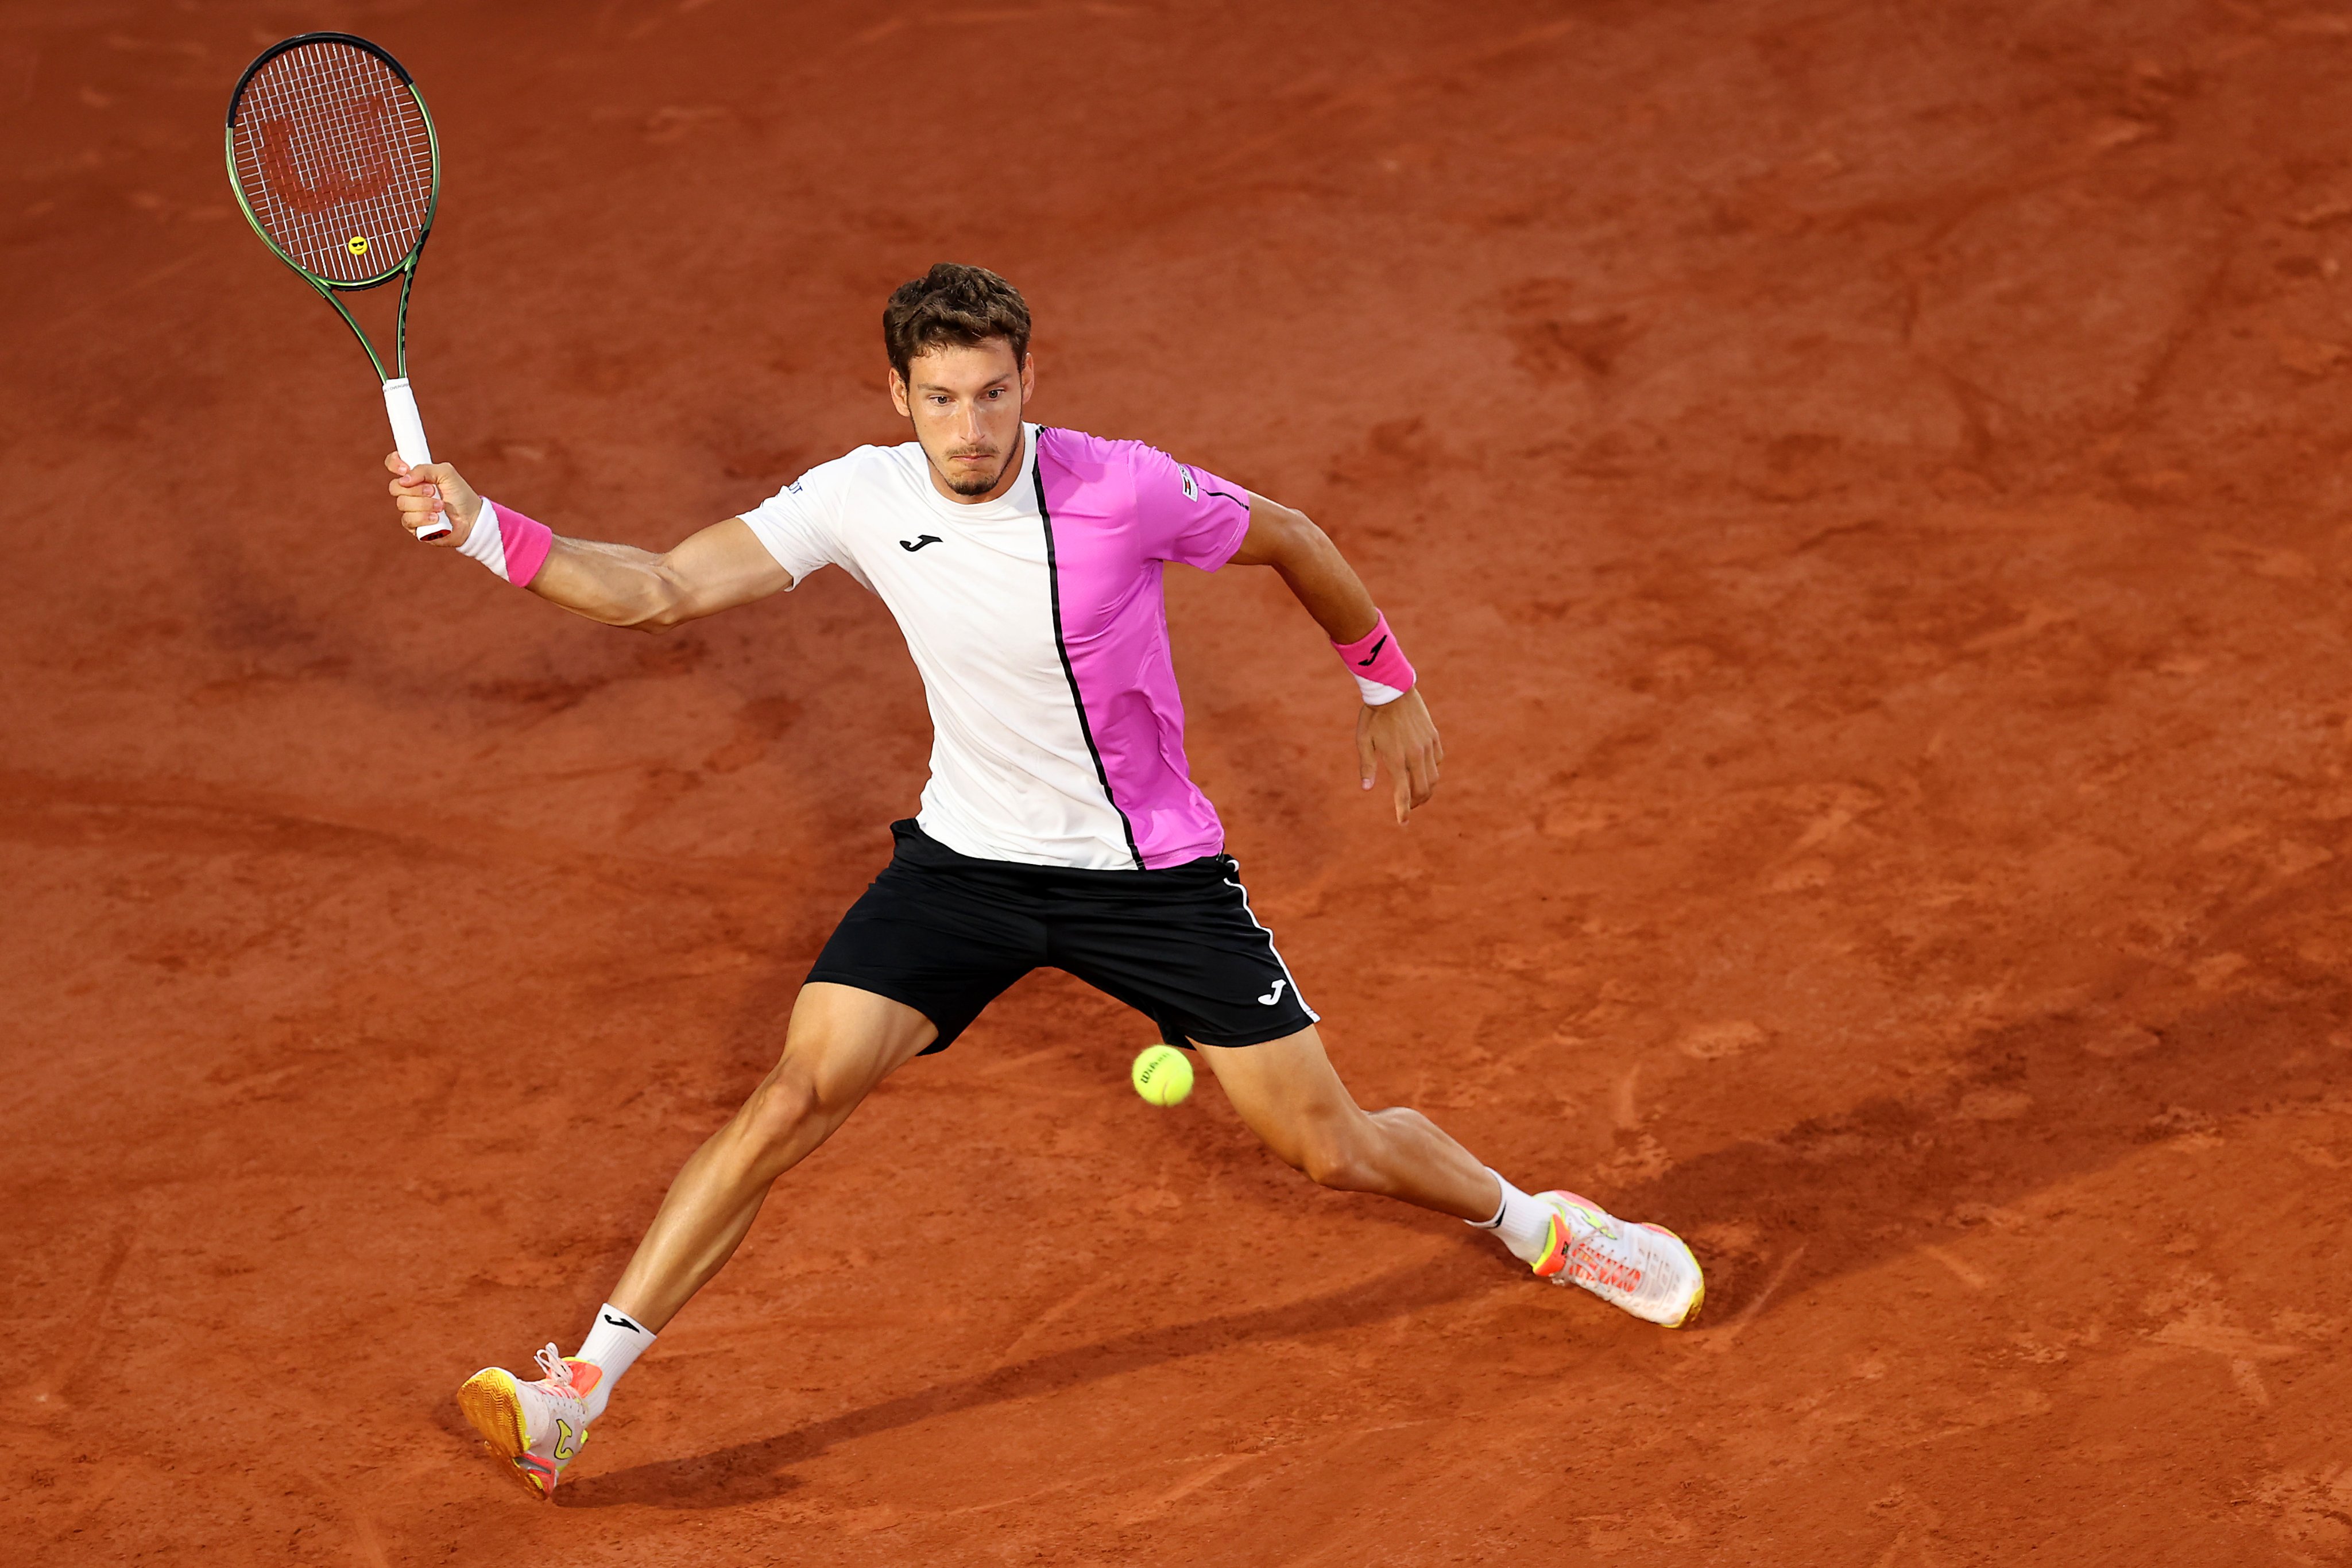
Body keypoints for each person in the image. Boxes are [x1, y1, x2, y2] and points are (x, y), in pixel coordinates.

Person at [386, 264, 1704, 1502]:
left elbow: (1292, 536)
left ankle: (1536, 1223)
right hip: (963, 866)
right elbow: (666, 586)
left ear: (1029, 380)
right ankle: (577, 1392)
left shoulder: (1122, 488)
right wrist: (485, 529)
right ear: (897, 396)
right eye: (941, 399)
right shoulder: (859, 496)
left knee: (1328, 1146)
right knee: (792, 1093)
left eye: (993, 393)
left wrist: (1384, 681)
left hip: (1149, 879)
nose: (971, 430)